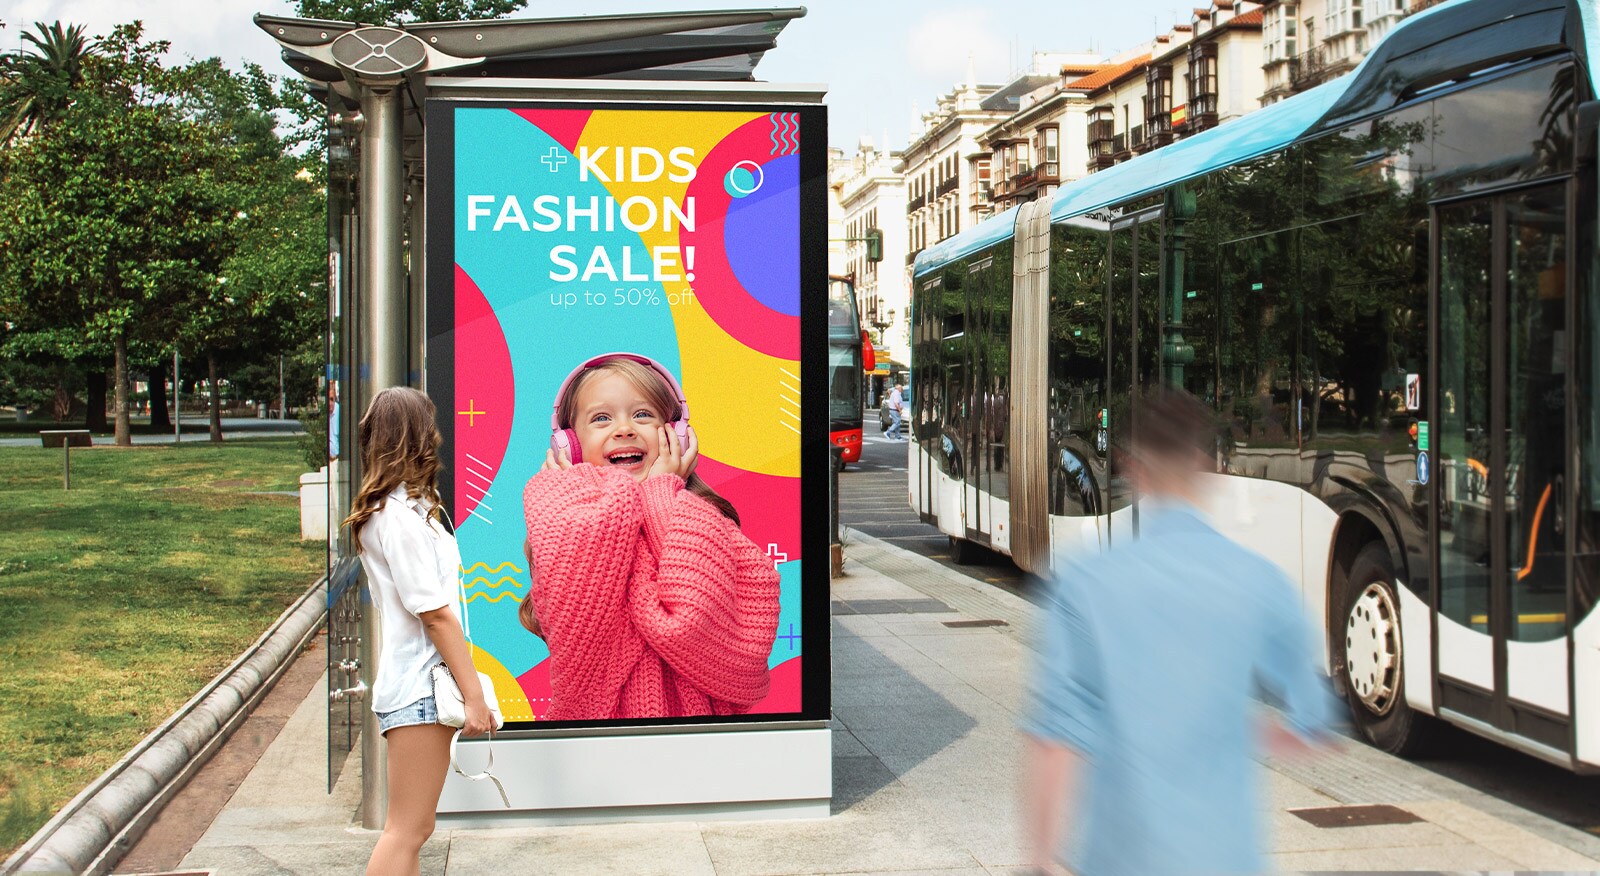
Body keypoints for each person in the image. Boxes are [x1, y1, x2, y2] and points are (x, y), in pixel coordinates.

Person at [1021, 387, 1335, 876]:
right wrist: (1230, 725)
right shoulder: (1258, 581)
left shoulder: (1084, 583)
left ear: (1133, 470)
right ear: (1207, 466)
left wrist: (1041, 861)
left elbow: (1056, 737)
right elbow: (1313, 723)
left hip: (1118, 859)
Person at [519, 353, 781, 720]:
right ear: (570, 444)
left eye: (642, 415)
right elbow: (570, 611)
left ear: (675, 434)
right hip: (597, 731)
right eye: (601, 418)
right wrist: (564, 490)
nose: (625, 429)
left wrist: (661, 492)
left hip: (694, 728)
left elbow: (697, 619)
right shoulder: (565, 520)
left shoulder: (702, 516)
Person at [342, 387, 494, 876]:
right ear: (417, 436)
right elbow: (434, 614)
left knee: (413, 830)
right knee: (406, 831)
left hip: (415, 684)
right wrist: (474, 696)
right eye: (430, 425)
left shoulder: (401, 510)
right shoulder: (399, 518)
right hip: (421, 687)